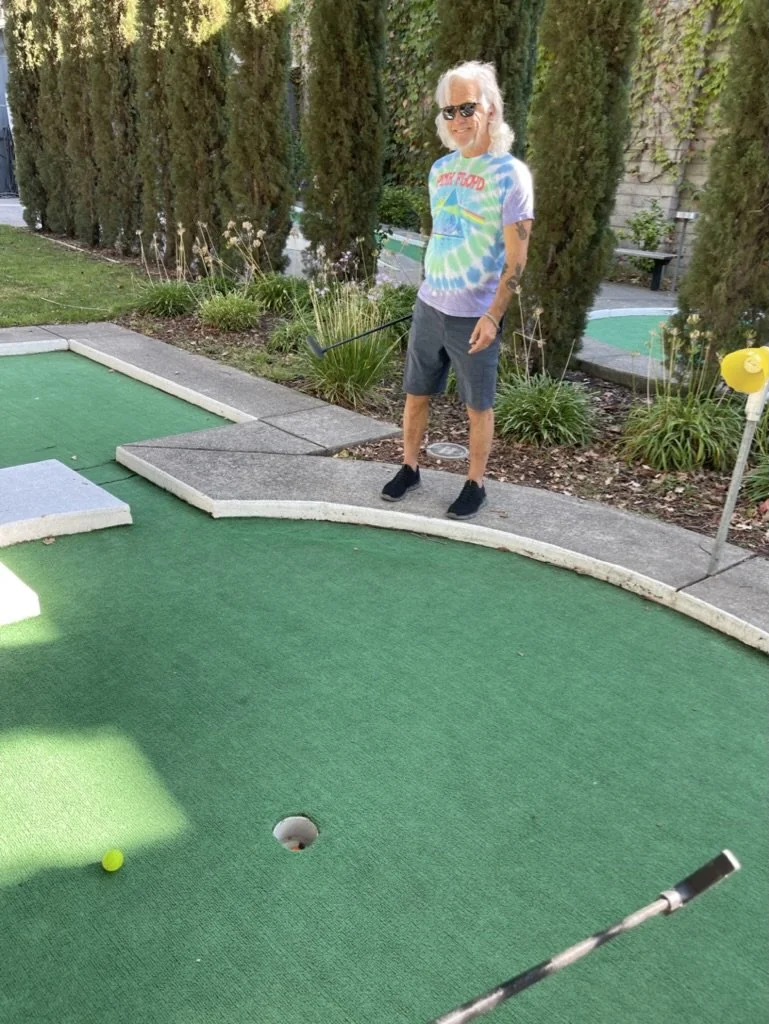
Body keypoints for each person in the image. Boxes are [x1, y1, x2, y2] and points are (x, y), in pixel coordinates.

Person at [381, 61, 534, 519]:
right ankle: (410, 467)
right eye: (449, 111)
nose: (458, 119)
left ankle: (475, 483)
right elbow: (444, 234)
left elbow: (517, 258)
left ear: (490, 109)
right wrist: (433, 284)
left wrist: (493, 314)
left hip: (475, 315)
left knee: (477, 405)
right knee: (416, 393)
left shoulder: (511, 175)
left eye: (467, 107)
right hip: (431, 305)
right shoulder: (440, 170)